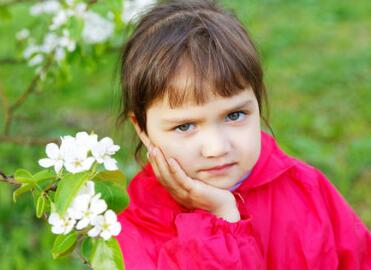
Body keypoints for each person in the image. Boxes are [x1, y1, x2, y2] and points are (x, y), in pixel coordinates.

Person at [115, 0, 371, 269]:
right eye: (185, 126)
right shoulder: (136, 230)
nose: (216, 148)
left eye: (234, 115)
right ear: (142, 129)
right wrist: (220, 220)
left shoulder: (306, 188)